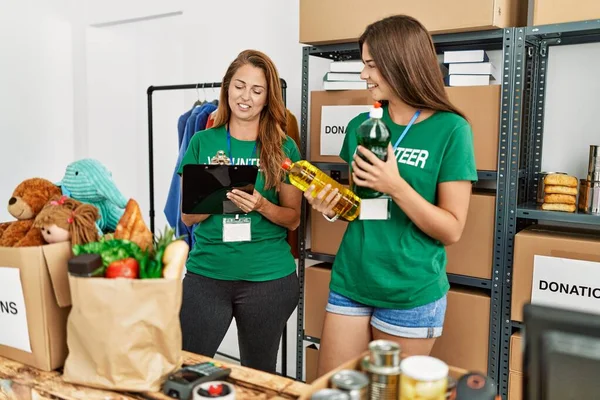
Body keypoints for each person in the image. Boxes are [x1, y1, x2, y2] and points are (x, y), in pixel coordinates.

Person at [304, 15, 478, 377]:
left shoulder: (451, 130)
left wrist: (396, 185)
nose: (364, 75)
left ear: (400, 62)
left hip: (410, 293)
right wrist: (332, 207)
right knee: (333, 389)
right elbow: (362, 204)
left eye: (371, 65)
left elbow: (452, 229)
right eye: (363, 65)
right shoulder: (359, 127)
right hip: (352, 280)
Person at [177, 49, 302, 373]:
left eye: (256, 90)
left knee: (258, 375)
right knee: (186, 369)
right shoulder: (202, 141)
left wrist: (261, 204)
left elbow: (293, 218)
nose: (245, 97)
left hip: (269, 281)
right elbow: (187, 217)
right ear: (227, 88)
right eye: (239, 86)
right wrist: (212, 187)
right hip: (208, 275)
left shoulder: (284, 147)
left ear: (267, 98)